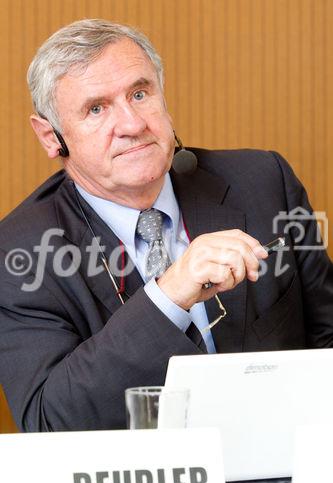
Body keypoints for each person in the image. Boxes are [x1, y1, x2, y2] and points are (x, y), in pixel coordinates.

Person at [0, 19, 332, 432]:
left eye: (140, 94)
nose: (133, 124)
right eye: (97, 109)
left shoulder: (264, 181)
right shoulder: (17, 250)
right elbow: (50, 421)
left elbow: (326, 340)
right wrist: (169, 294)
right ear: (51, 137)